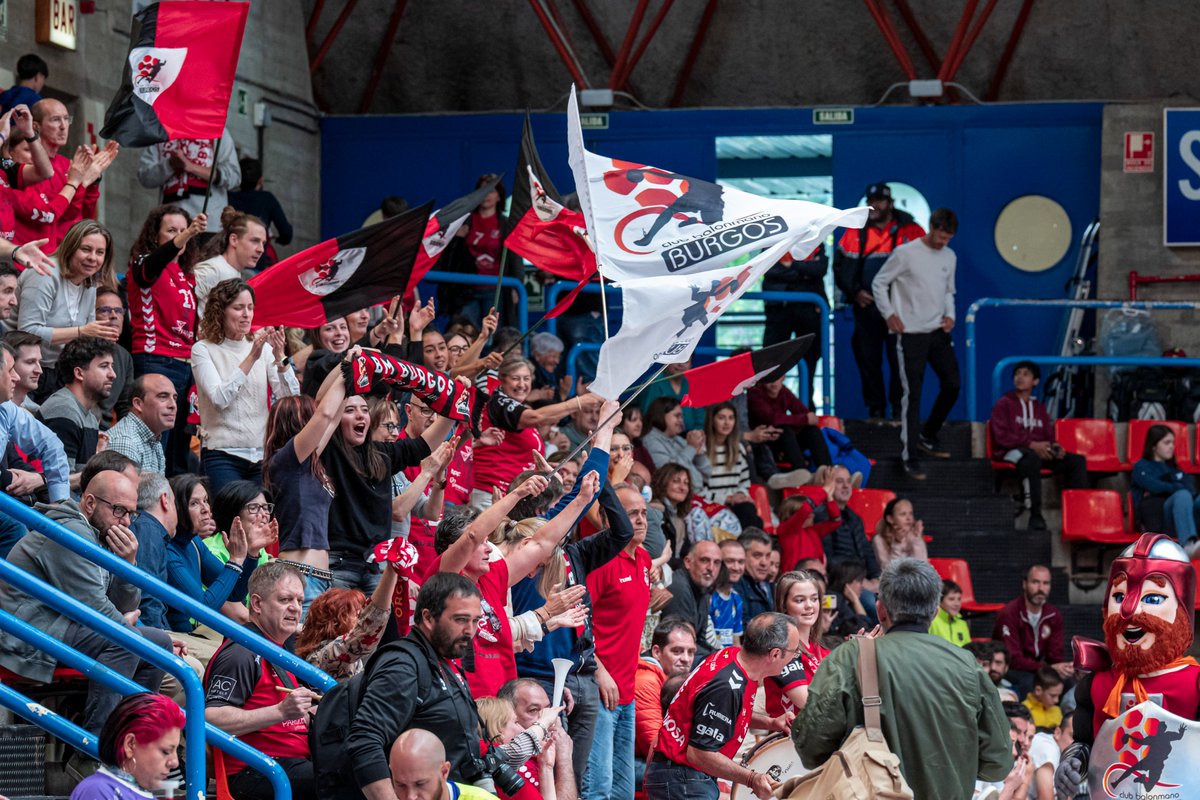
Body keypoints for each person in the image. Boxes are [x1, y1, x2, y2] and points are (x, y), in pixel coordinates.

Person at [794, 558, 1013, 799]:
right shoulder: (967, 665)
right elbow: (998, 763)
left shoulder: (849, 657)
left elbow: (811, 748)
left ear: (880, 609)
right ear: (935, 612)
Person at [0, 469, 172, 734]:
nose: (126, 522)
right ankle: (95, 752)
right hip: (27, 636)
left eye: (131, 513)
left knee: (159, 643)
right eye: (118, 510)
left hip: (61, 628)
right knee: (126, 642)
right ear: (90, 503)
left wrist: (128, 566)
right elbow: (95, 608)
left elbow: (123, 607)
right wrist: (128, 630)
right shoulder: (71, 531)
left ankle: (130, 740)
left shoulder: (101, 534)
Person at [1055, 534, 1200, 797]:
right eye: (1119, 595)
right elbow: (1085, 743)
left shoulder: (1195, 683)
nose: (1130, 610)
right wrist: (1071, 762)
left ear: (1183, 612)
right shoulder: (1097, 683)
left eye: (1153, 598)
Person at [337, 573, 489, 800]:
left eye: (475, 620)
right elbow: (364, 740)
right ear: (428, 618)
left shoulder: (443, 661)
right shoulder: (403, 665)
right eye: (460, 619)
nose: (470, 630)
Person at [645, 612, 800, 800]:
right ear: (775, 653)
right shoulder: (727, 687)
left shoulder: (732, 657)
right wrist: (752, 779)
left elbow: (727, 713)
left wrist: (771, 723)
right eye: (794, 652)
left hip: (684, 776)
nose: (795, 657)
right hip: (683, 779)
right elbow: (699, 754)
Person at [205, 562, 317, 800]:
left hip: (290, 763)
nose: (295, 608)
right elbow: (210, 719)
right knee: (344, 779)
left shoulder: (277, 649)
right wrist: (280, 711)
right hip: (257, 770)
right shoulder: (241, 652)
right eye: (285, 599)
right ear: (256, 604)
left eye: (299, 600)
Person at [872, 207, 961, 480]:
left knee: (952, 384)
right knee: (913, 394)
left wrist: (950, 314)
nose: (942, 242)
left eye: (948, 238)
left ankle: (928, 433)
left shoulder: (949, 256)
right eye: (940, 236)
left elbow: (948, 291)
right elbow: (879, 282)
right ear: (931, 227)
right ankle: (910, 455)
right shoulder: (905, 253)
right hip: (910, 333)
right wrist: (889, 315)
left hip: (937, 331)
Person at [582, 483, 655, 800]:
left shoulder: (645, 560)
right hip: (600, 688)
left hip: (627, 691)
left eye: (643, 513)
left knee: (624, 792)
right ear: (610, 519)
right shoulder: (600, 562)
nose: (639, 520)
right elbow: (577, 625)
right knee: (597, 788)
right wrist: (601, 673)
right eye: (631, 514)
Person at [191, 278, 298, 488]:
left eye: (250, 307)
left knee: (259, 519)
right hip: (222, 455)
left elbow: (290, 398)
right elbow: (220, 399)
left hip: (261, 456)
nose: (246, 314)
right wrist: (251, 358)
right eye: (238, 308)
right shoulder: (203, 349)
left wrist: (280, 358)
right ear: (220, 311)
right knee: (229, 520)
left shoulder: (264, 349)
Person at [833, 182, 925, 420]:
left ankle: (898, 411)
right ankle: (875, 410)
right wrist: (855, 293)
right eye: (871, 201)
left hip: (899, 309)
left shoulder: (911, 230)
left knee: (900, 361)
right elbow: (840, 268)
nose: (875, 206)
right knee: (868, 360)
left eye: (880, 201)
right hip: (866, 308)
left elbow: (926, 266)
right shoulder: (855, 230)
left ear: (890, 204)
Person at [127, 205, 208, 475]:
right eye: (171, 230)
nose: (180, 236)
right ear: (155, 235)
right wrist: (186, 235)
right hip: (156, 363)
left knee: (178, 450)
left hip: (186, 367)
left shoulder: (187, 277)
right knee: (155, 446)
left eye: (184, 230)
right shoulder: (143, 266)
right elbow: (151, 264)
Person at [263, 362, 349, 610]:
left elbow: (331, 419)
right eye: (310, 419)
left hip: (321, 578)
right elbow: (324, 415)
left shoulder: (307, 462)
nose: (317, 423)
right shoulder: (286, 460)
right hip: (300, 576)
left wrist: (349, 365)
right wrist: (350, 368)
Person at [470, 356, 602, 506]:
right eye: (515, 378)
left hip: (513, 495)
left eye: (526, 379)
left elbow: (541, 418)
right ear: (502, 379)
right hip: (492, 493)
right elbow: (537, 417)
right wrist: (579, 402)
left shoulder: (518, 408)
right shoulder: (498, 401)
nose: (521, 384)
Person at [18, 220, 119, 401]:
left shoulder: (89, 283)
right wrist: (81, 332)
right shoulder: (45, 273)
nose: (93, 258)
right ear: (70, 247)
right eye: (86, 249)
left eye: (100, 252)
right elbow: (26, 332)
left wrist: (99, 336)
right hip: (21, 371)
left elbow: (86, 332)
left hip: (57, 372)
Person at [989, 360, 1088, 531]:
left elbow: (1048, 436)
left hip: (1035, 452)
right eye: (1017, 374)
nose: (1020, 378)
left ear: (1035, 381)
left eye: (1025, 374)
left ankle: (1077, 517)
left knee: (1076, 461)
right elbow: (1001, 437)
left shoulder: (1039, 408)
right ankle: (1036, 515)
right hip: (1010, 452)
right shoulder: (1004, 404)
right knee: (1032, 459)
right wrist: (1031, 444)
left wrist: (1054, 448)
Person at [163, 474, 264, 636]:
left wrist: (251, 554)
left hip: (190, 634)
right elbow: (202, 609)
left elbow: (235, 594)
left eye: (206, 500)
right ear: (177, 508)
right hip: (173, 638)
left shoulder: (194, 542)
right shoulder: (168, 550)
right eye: (194, 503)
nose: (206, 509)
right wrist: (235, 561)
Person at [30, 100, 115, 251]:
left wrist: (93, 181)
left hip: (70, 251)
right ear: (36, 126)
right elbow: (55, 216)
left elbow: (85, 216)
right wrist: (80, 182)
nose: (63, 126)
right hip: (44, 252)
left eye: (66, 119)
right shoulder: (30, 165)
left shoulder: (66, 164)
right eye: (56, 119)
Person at [68, 693, 185, 800]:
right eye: (166, 751)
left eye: (176, 751)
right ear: (130, 745)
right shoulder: (98, 791)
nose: (174, 762)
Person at [295, 570, 396, 680]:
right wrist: (391, 572)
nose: (362, 620)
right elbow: (366, 632)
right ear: (336, 621)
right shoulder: (322, 655)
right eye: (359, 615)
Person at [37, 336, 115, 474]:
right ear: (79, 373)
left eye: (111, 366)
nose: (113, 374)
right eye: (104, 366)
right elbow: (59, 482)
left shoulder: (89, 417)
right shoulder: (63, 410)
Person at [138, 128, 241, 232]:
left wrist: (192, 167)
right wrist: (169, 165)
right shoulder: (162, 129)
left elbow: (234, 178)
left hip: (209, 226)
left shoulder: (216, 129)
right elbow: (144, 177)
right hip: (171, 224)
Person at [992, 565, 1071, 698]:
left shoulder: (1053, 614)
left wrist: (1064, 668)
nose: (1041, 589)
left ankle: (1064, 718)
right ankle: (1026, 718)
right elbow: (1013, 659)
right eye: (1035, 582)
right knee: (1030, 683)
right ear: (1025, 584)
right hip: (1010, 668)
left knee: (1068, 682)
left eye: (1046, 583)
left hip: (1037, 668)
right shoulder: (1009, 613)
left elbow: (1055, 656)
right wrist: (1048, 668)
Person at [762, 247, 827, 407]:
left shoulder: (814, 239)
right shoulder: (774, 239)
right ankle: (770, 407)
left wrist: (791, 266)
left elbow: (819, 269)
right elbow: (769, 270)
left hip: (808, 310)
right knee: (772, 360)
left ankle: (807, 406)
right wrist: (803, 272)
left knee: (810, 360)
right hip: (779, 309)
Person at [497, 679, 578, 800]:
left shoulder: (544, 753)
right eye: (534, 710)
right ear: (509, 715)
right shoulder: (510, 761)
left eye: (547, 710)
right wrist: (564, 759)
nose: (546, 718)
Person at [764, 570, 830, 716]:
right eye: (800, 600)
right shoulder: (782, 649)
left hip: (825, 732)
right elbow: (810, 703)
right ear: (784, 605)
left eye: (814, 599)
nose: (809, 606)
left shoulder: (822, 650)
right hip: (790, 736)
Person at [634, 618, 697, 763]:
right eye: (677, 651)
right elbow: (655, 748)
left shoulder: (667, 677)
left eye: (691, 652)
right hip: (639, 762)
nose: (686, 659)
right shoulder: (646, 682)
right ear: (656, 652)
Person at [1130, 423, 1200, 553]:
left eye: (1173, 443)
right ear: (1154, 446)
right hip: (1158, 522)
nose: (1172, 447)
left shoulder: (1175, 469)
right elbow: (1154, 486)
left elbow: (1191, 489)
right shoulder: (1141, 467)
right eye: (1167, 443)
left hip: (1182, 519)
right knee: (1182, 495)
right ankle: (1189, 545)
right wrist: (1176, 486)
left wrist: (1169, 487)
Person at [747, 376, 832, 474]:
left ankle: (828, 472)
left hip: (784, 441)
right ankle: (802, 473)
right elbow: (772, 419)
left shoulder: (784, 391)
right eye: (770, 378)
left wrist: (804, 419)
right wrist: (804, 419)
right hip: (764, 442)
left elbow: (806, 414)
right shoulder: (755, 393)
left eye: (777, 377)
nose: (774, 383)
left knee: (811, 430)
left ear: (783, 377)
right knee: (784, 430)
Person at [192, 209, 267, 315]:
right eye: (255, 241)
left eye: (263, 243)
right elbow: (181, 305)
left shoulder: (235, 274)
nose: (261, 249)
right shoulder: (212, 270)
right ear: (234, 240)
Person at [700, 402, 761, 529]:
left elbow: (744, 483)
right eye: (721, 418)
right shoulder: (701, 449)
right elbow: (697, 491)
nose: (727, 423)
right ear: (712, 420)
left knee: (752, 515)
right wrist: (727, 498)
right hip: (710, 505)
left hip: (736, 503)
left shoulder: (738, 449)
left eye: (731, 418)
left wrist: (740, 495)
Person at [228, 157, 293, 271]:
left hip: (230, 262)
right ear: (261, 180)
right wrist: (281, 239)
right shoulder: (266, 199)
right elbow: (286, 232)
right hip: (255, 264)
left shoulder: (228, 197)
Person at [661, 540, 722, 662]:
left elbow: (701, 640)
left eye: (716, 563)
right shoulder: (679, 588)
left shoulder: (702, 587)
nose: (711, 568)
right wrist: (718, 658)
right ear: (688, 562)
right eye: (704, 560)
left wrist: (722, 656)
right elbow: (680, 645)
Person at [105, 374, 176, 474]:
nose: (173, 405)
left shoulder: (153, 439)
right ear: (138, 404)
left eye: (175, 398)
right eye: (163, 397)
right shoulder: (125, 441)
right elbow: (126, 489)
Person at [641, 396, 711, 490]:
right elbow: (669, 473)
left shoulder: (679, 439)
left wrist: (699, 453)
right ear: (661, 415)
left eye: (682, 416)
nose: (681, 420)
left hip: (698, 494)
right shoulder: (650, 441)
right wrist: (691, 447)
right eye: (677, 416)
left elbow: (707, 474)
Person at [92, 288, 135, 428]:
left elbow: (124, 406)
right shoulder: (81, 349)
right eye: (105, 310)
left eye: (118, 311)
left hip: (107, 431)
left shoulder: (124, 356)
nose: (113, 316)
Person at [639, 361, 704, 432]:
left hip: (689, 437)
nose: (681, 364)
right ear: (667, 360)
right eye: (678, 359)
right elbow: (646, 417)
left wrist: (697, 433)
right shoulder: (653, 382)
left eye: (686, 361)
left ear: (691, 364)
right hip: (658, 437)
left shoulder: (693, 383)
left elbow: (700, 418)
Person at [871, 496, 928, 569]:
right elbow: (889, 571)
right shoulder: (879, 539)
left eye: (910, 513)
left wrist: (917, 539)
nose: (909, 518)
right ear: (890, 519)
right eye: (903, 514)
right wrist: (897, 543)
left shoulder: (914, 535)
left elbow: (922, 567)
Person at [734, 529, 776, 623]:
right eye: (757, 556)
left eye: (768, 556)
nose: (764, 563)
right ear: (741, 555)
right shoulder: (735, 585)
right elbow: (742, 624)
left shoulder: (769, 585)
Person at [3, 330, 44, 412]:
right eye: (30, 362)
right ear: (10, 363)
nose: (39, 371)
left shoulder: (36, 412)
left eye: (39, 362)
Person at [928, 579, 970, 646]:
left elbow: (969, 650)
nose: (957, 603)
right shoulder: (931, 621)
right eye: (951, 599)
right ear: (939, 601)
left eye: (959, 599)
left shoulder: (962, 623)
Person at [1022, 667, 1064, 731]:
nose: (1057, 700)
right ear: (1038, 690)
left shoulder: (1057, 710)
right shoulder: (1024, 710)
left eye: (1059, 695)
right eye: (1053, 696)